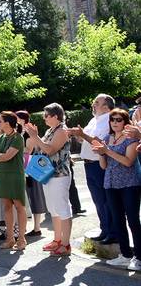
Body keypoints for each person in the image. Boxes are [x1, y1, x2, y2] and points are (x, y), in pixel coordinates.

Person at [73, 108, 141, 270]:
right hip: (110, 184)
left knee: (133, 220)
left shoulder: (131, 139)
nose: (115, 122)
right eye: (112, 120)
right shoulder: (107, 138)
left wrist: (107, 151)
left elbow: (128, 162)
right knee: (117, 220)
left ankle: (139, 257)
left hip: (129, 184)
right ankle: (125, 255)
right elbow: (104, 166)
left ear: (126, 122)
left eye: (119, 119)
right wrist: (102, 154)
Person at [24, 103, 73, 257]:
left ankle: (66, 244)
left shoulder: (63, 130)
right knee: (53, 208)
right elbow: (37, 148)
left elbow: (50, 149)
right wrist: (32, 137)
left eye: (46, 115)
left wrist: (35, 137)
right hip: (48, 174)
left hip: (60, 174)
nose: (44, 118)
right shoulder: (50, 130)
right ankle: (57, 240)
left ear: (55, 116)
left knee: (63, 208)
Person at [72, 94, 117, 244]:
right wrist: (79, 137)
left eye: (97, 102)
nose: (93, 104)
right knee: (98, 200)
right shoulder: (93, 120)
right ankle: (104, 229)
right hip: (88, 163)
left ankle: (112, 232)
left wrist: (82, 134)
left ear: (106, 106)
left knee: (106, 200)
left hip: (100, 164)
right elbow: (87, 139)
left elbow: (99, 143)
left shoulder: (111, 120)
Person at [0, 111, 27, 251]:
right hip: (3, 175)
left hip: (15, 175)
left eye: (0, 120)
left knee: (19, 206)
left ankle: (21, 239)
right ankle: (10, 239)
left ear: (8, 122)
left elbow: (7, 157)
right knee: (6, 206)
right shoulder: (1, 138)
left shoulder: (18, 138)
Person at [18, 110, 47, 239]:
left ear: (23, 119)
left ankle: (37, 228)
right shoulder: (20, 131)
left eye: (17, 117)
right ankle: (32, 227)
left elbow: (29, 150)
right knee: (28, 196)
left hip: (32, 166)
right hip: (27, 165)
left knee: (35, 195)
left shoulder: (29, 131)